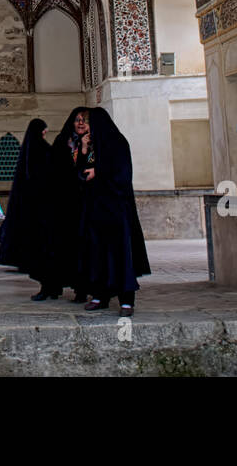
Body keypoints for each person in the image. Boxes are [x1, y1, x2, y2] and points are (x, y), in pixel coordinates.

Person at [63, 106, 150, 316]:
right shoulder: (91, 145)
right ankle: (100, 295)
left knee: (120, 254)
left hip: (116, 210)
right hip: (95, 210)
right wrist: (84, 150)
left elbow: (122, 174)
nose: (84, 126)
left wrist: (98, 172)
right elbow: (79, 174)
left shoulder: (117, 143)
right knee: (97, 254)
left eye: (88, 121)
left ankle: (126, 300)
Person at [0, 118, 84, 301]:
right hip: (46, 212)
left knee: (45, 253)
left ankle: (51, 288)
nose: (45, 132)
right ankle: (51, 287)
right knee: (47, 252)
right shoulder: (44, 150)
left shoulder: (32, 151)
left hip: (40, 213)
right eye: (43, 130)